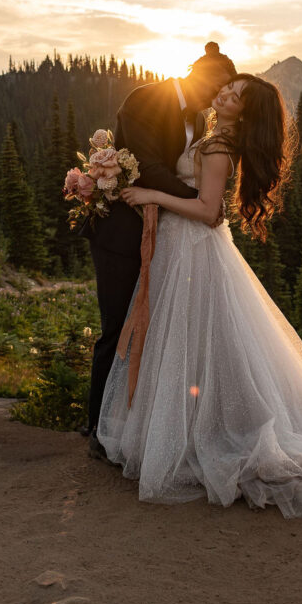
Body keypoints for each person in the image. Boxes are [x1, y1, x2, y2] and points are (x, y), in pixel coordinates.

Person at [96, 74, 302, 518]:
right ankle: (187, 426)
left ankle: (204, 432)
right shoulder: (213, 137)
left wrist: (152, 192)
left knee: (191, 337)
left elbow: (208, 210)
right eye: (227, 89)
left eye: (234, 96)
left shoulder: (217, 148)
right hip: (180, 247)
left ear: (245, 113)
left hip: (192, 249)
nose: (223, 94)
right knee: (181, 339)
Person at [82, 42, 237, 458]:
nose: (217, 95)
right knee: (119, 329)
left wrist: (199, 201)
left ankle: (140, 425)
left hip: (166, 238)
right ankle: (98, 428)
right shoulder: (148, 98)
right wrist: (200, 199)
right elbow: (149, 166)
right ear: (199, 72)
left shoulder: (202, 116)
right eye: (217, 84)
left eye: (224, 90)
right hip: (121, 233)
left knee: (157, 331)